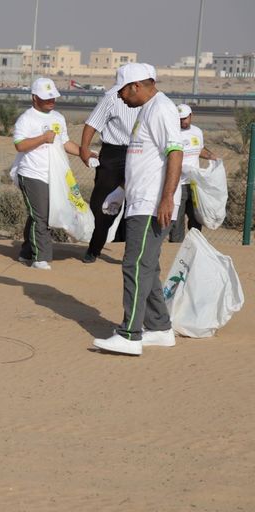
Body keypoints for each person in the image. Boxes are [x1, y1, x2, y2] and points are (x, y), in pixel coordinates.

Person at [93, 63, 184, 356]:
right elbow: (143, 160)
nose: (119, 97)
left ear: (136, 86)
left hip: (151, 203)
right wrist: (122, 191)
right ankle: (159, 328)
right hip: (139, 199)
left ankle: (130, 334)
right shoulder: (146, 110)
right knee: (147, 267)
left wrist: (167, 198)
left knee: (134, 265)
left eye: (121, 90)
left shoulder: (161, 109)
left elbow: (175, 151)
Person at [13, 77, 94, 270]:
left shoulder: (58, 117)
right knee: (41, 215)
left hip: (55, 175)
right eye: (46, 97)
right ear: (34, 98)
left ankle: (26, 252)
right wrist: (42, 138)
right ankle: (41, 258)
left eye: (53, 97)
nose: (51, 101)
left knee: (39, 213)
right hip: (32, 173)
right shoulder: (26, 119)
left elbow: (65, 143)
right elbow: (19, 145)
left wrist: (85, 152)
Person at [78, 68, 147, 263]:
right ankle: (95, 247)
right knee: (103, 205)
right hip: (113, 155)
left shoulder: (153, 102)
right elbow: (92, 123)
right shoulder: (111, 98)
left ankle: (132, 253)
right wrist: (84, 148)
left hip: (140, 153)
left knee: (137, 205)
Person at [169, 103, 218, 243]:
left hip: (195, 183)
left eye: (185, 118)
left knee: (196, 216)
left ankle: (195, 244)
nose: (182, 122)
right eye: (179, 119)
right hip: (177, 182)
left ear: (191, 116)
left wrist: (211, 156)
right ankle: (175, 246)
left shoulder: (197, 132)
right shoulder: (172, 132)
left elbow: (199, 149)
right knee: (177, 218)